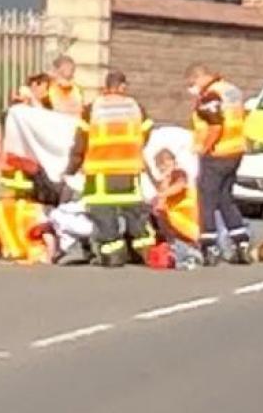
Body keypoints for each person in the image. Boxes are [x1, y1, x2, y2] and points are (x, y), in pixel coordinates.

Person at [67, 70, 156, 267]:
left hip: (101, 171)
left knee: (103, 213)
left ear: (106, 87)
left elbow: (80, 141)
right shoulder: (136, 108)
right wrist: (132, 150)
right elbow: (147, 131)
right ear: (123, 87)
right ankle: (147, 253)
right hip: (129, 170)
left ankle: (114, 254)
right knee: (135, 213)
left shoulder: (93, 108)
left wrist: (71, 167)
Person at [185, 64, 253, 266]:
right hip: (235, 150)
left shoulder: (210, 96)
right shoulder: (231, 89)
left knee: (206, 200)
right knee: (225, 198)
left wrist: (205, 148)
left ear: (198, 78)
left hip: (217, 153)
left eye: (192, 84)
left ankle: (209, 245)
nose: (192, 89)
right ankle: (241, 242)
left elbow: (215, 125)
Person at [149, 148, 204, 270]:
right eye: (160, 166)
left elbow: (180, 184)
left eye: (164, 164)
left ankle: (192, 257)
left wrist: (163, 194)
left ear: (172, 161)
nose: (162, 169)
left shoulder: (178, 173)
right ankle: (178, 257)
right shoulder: (165, 180)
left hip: (186, 223)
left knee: (185, 246)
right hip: (175, 225)